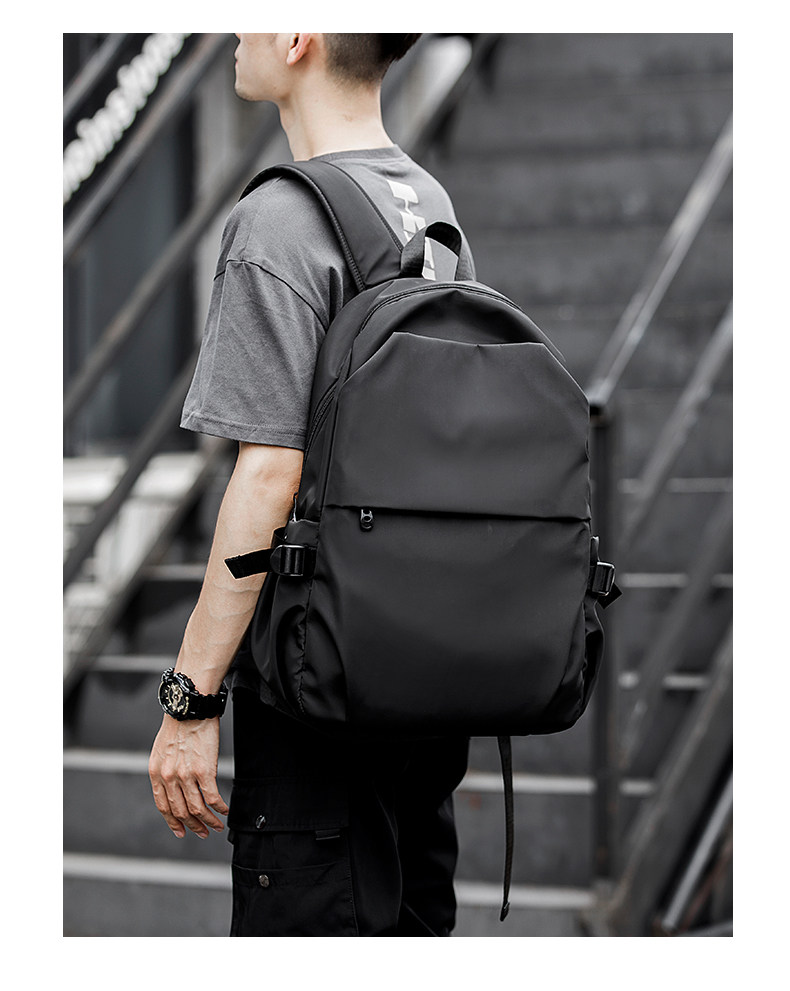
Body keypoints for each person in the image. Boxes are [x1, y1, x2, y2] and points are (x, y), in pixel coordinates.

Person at [148, 32, 474, 937]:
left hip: (316, 677)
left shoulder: (280, 221)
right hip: (426, 671)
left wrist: (190, 697)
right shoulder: (430, 206)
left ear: (299, 40)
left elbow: (269, 472)